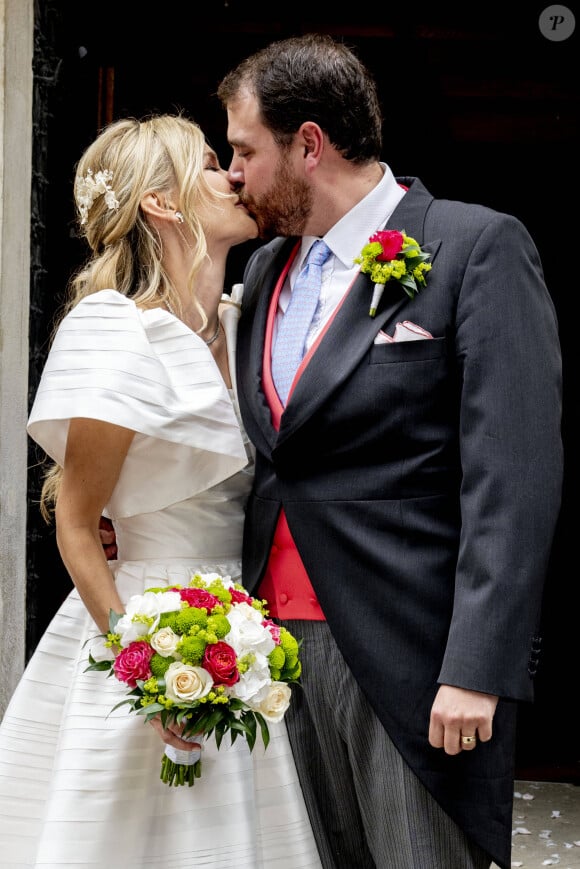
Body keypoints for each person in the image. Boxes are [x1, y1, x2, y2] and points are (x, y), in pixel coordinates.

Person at [214, 33, 564, 869]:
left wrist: (478, 664)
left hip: (410, 653)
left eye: (243, 149)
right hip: (268, 654)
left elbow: (511, 477)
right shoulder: (262, 271)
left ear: (309, 145)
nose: (232, 173)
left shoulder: (475, 247)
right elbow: (268, 454)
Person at [0, 114, 322, 869]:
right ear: (163, 203)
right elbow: (78, 524)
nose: (234, 176)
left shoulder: (250, 325)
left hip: (241, 642)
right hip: (138, 630)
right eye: (212, 164)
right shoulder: (117, 331)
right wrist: (141, 667)